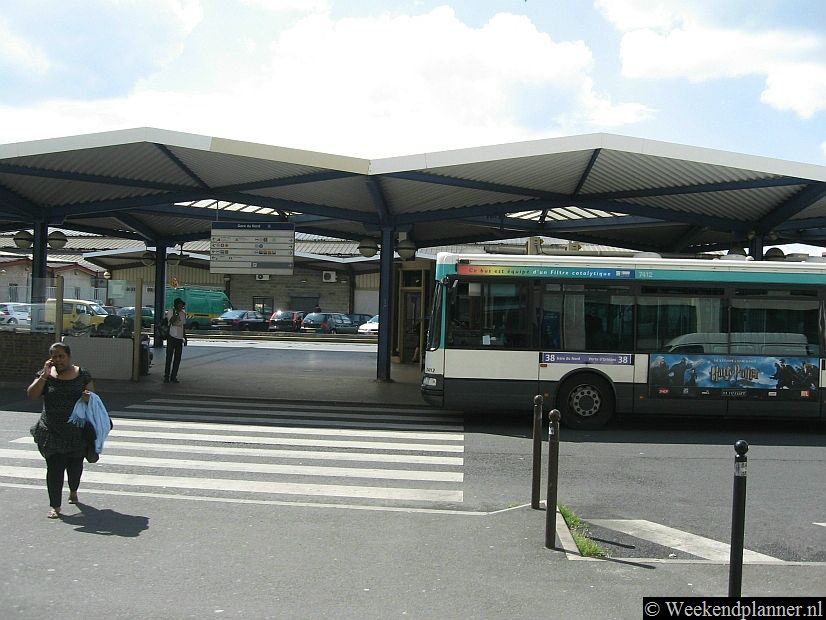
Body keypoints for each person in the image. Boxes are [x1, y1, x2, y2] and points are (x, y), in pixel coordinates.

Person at [27, 342, 95, 519]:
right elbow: (32, 395)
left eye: (61, 356)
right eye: (54, 357)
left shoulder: (82, 375)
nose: (58, 360)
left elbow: (93, 401)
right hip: (51, 431)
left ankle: (73, 490)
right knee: (54, 468)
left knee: (74, 467)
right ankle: (55, 506)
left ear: (69, 356)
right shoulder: (46, 375)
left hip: (76, 433)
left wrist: (87, 398)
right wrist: (44, 375)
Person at [163, 297, 187, 383]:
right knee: (169, 357)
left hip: (179, 338)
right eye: (179, 304)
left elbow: (183, 326)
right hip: (171, 337)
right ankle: (166, 376)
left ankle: (174, 376)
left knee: (177, 358)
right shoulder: (171, 311)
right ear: (176, 305)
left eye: (182, 304)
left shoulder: (183, 314)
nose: (181, 306)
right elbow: (171, 322)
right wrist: (176, 314)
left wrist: (185, 337)